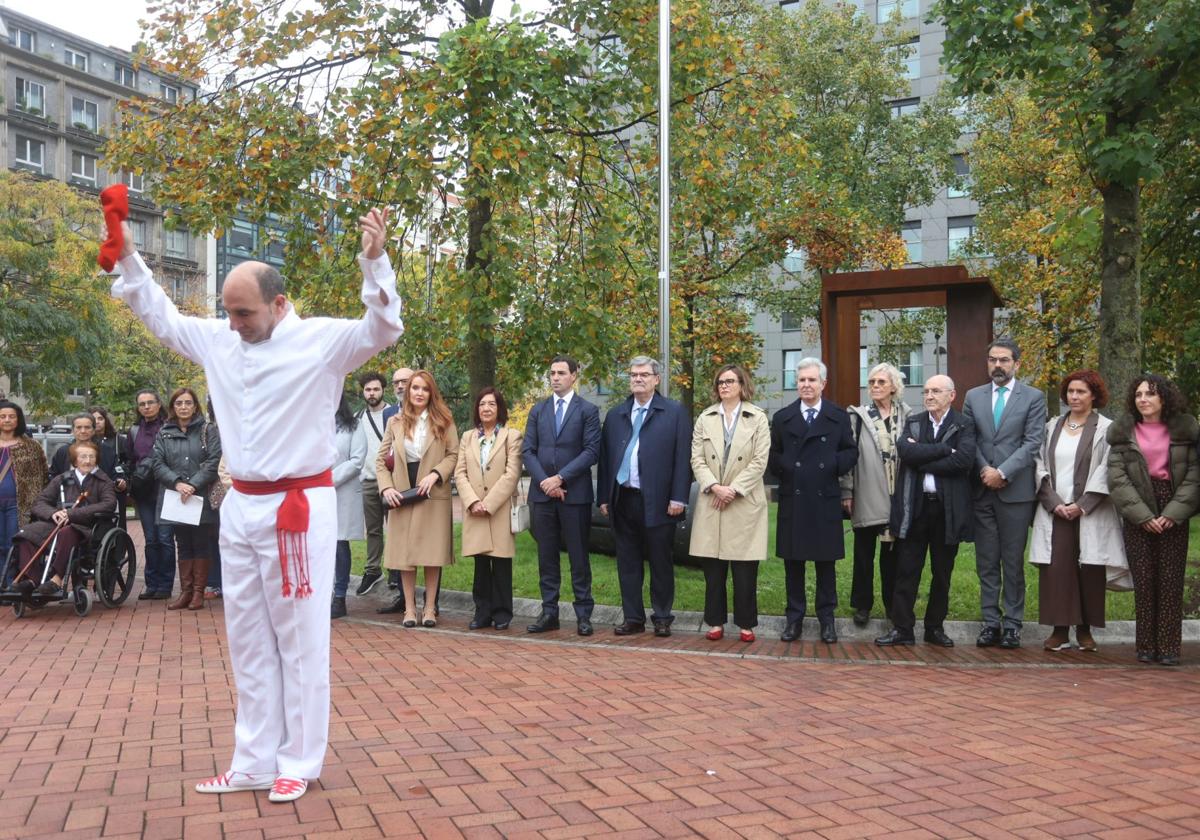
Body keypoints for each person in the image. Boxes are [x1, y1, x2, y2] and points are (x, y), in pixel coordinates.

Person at [110, 204, 403, 802]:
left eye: (243, 312)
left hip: (298, 508)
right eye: (227, 311)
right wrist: (128, 255)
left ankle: (299, 759)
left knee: (299, 639)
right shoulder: (221, 340)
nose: (233, 322)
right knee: (245, 637)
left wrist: (375, 263)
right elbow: (162, 317)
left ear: (280, 304)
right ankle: (252, 759)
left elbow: (383, 329)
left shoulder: (323, 342)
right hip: (240, 505)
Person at [1028, 371, 1126, 652]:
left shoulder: (1107, 429)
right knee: (1057, 569)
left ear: (1093, 395)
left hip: (1089, 510)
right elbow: (1038, 464)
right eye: (1070, 391)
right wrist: (1053, 501)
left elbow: (1107, 468)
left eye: (1081, 392)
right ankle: (1060, 630)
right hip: (1056, 509)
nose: (1074, 396)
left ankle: (1085, 630)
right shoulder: (1052, 426)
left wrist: (1082, 505)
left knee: (1090, 569)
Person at [875, 375, 975, 648]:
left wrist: (924, 460)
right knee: (907, 570)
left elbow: (964, 461)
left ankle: (935, 628)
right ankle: (902, 629)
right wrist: (943, 450)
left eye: (936, 391)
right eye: (926, 391)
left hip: (947, 510)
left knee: (942, 573)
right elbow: (906, 452)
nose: (929, 396)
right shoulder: (915, 421)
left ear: (951, 396)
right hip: (915, 508)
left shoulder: (963, 424)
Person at [1107, 374, 1199, 666]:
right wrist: (1143, 516)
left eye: (1150, 394)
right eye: (1138, 395)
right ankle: (1145, 646)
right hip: (1138, 508)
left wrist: (1172, 514)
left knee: (1170, 581)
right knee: (1144, 581)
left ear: (1164, 399)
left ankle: (1169, 648)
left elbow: (1195, 476)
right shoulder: (1123, 433)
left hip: (1173, 505)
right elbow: (1117, 478)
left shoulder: (1185, 431)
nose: (1143, 399)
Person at [961, 338, 1047, 650]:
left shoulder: (1034, 398)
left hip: (1016, 493)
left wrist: (1003, 472)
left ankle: (1012, 625)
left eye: (1004, 360)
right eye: (993, 360)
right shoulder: (973, 396)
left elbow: (1032, 441)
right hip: (983, 491)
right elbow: (968, 439)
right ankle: (990, 623)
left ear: (1017, 364)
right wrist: (986, 471)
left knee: (1012, 562)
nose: (998, 365)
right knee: (986, 562)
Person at [598, 356, 691, 637]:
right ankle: (633, 618)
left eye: (644, 375)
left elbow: (682, 458)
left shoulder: (674, 412)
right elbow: (605, 460)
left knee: (661, 562)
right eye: (633, 374)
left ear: (656, 379)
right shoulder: (616, 415)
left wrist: (679, 497)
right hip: (623, 499)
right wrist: (604, 497)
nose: (638, 379)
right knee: (627, 562)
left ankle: (662, 617)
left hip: (660, 501)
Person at [768, 357, 857, 644]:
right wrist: (789, 466)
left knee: (825, 563)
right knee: (793, 563)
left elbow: (850, 452)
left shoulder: (838, 416)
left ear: (823, 384)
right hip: (794, 497)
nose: (806, 385)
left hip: (824, 498)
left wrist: (831, 463)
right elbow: (773, 455)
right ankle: (793, 620)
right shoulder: (783, 417)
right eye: (802, 380)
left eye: (811, 380)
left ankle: (826, 621)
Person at [689, 365, 769, 643]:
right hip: (712, 499)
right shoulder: (706, 417)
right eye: (720, 382)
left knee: (744, 569)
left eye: (730, 381)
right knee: (713, 569)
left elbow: (760, 460)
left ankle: (746, 624)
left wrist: (733, 490)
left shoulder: (758, 418)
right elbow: (696, 458)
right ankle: (715, 622)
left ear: (742, 384)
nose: (724, 386)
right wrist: (714, 486)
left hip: (743, 501)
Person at [521, 355, 600, 635]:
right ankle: (549, 612)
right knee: (547, 556)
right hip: (542, 497)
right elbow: (527, 451)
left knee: (579, 556)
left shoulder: (587, 410)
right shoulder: (538, 410)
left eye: (561, 373)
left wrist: (560, 478)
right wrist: (545, 482)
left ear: (574, 375)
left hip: (575, 495)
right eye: (552, 373)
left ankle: (583, 614)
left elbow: (591, 451)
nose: (555, 377)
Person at [377, 370, 458, 628]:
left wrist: (435, 475)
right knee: (405, 554)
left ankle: (430, 607)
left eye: (424, 389)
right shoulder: (395, 422)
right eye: (415, 388)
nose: (419, 393)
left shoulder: (444, 420)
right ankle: (409, 609)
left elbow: (453, 454)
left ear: (431, 392)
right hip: (402, 492)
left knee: (431, 553)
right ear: (408, 392)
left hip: (432, 492)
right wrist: (386, 488)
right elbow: (381, 461)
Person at [841, 362, 911, 627]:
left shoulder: (907, 415)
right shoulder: (857, 417)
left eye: (881, 382)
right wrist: (847, 491)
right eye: (871, 382)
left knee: (893, 556)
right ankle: (862, 605)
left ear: (894, 387)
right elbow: (849, 458)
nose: (875, 387)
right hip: (867, 493)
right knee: (863, 555)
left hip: (897, 495)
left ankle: (893, 606)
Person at [12, 440, 116, 598]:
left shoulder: (103, 481)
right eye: (83, 457)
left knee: (67, 532)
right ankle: (31, 580)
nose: (87, 460)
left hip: (86, 527)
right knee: (27, 533)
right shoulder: (61, 479)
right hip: (56, 523)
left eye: (91, 457)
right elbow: (40, 502)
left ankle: (56, 579)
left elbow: (109, 504)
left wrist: (72, 514)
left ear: (96, 459)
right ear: (75, 460)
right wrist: (53, 513)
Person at [149, 387, 222, 611]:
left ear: (195, 406)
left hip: (198, 495)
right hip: (176, 496)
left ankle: (199, 592)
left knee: (200, 544)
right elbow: (157, 463)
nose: (183, 407)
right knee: (183, 544)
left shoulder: (208, 430)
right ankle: (185, 592)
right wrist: (177, 482)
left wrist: (192, 484)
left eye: (188, 403)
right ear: (172, 407)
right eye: (179, 403)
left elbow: (214, 461)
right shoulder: (164, 432)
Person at [456, 387, 523, 630]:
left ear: (499, 409)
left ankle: (503, 613)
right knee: (481, 564)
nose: (486, 408)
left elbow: (512, 473)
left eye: (491, 404)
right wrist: (473, 501)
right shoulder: (467, 437)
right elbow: (460, 472)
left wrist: (489, 503)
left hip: (499, 509)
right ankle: (482, 612)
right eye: (482, 404)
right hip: (474, 509)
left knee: (501, 562)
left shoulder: (511, 436)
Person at [128, 389, 174, 600]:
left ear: (158, 404)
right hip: (144, 492)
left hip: (166, 489)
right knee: (150, 540)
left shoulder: (169, 427)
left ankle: (165, 585)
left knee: (165, 538)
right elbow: (129, 461)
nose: (146, 407)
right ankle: (151, 584)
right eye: (142, 404)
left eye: (150, 402)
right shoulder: (134, 431)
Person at [0, 400, 50, 577]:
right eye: (3, 416)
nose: (7, 420)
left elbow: (43, 476)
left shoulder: (31, 446)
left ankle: (10, 583)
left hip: (20, 504)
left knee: (13, 543)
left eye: (11, 416)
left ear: (18, 419)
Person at [354, 371, 391, 598]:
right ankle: (372, 569)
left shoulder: (394, 414)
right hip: (367, 480)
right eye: (368, 389)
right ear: (363, 392)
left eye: (376, 389)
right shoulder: (358, 417)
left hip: (391, 481)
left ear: (383, 390)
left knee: (396, 528)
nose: (372, 393)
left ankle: (396, 570)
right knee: (374, 529)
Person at [331, 394, 366, 620]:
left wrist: (327, 479)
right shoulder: (312, 424)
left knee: (339, 545)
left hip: (340, 491)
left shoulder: (354, 425)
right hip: (314, 493)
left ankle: (340, 596)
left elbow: (357, 459)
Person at [381, 367, 413, 593]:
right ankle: (403, 597)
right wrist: (387, 485)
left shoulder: (432, 411)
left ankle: (432, 603)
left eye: (405, 381)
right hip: (397, 484)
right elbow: (385, 452)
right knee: (399, 542)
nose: (400, 386)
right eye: (396, 383)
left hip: (423, 483)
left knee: (427, 544)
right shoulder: (389, 415)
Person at [89, 405, 131, 529]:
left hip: (115, 487)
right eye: (93, 418)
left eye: (100, 418)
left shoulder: (119, 440)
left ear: (106, 420)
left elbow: (128, 462)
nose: (97, 421)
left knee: (118, 524)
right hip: (92, 489)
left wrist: (123, 478)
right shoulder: (85, 442)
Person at [49, 413, 118, 480]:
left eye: (87, 427)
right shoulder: (63, 451)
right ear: (73, 430)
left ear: (94, 430)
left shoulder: (106, 451)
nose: (83, 431)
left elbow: (116, 477)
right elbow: (53, 476)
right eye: (79, 427)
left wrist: (120, 485)